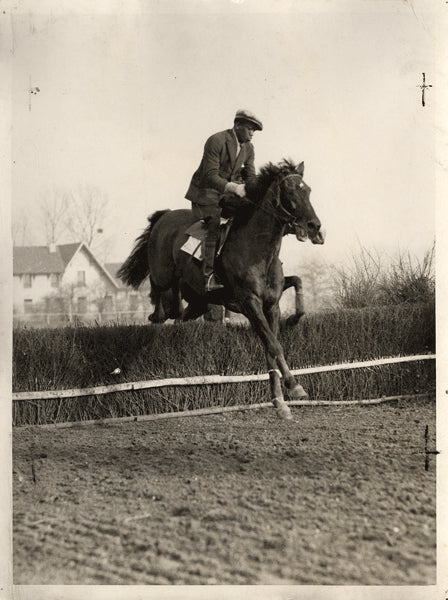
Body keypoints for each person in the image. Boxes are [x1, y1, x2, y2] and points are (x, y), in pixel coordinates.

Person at [185, 109, 263, 292]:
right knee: (215, 224)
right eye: (250, 129)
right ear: (237, 126)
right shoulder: (216, 140)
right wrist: (235, 187)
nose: (252, 133)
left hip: (225, 196)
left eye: (254, 130)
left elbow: (250, 176)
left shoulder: (249, 147)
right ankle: (210, 275)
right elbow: (210, 175)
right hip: (204, 194)